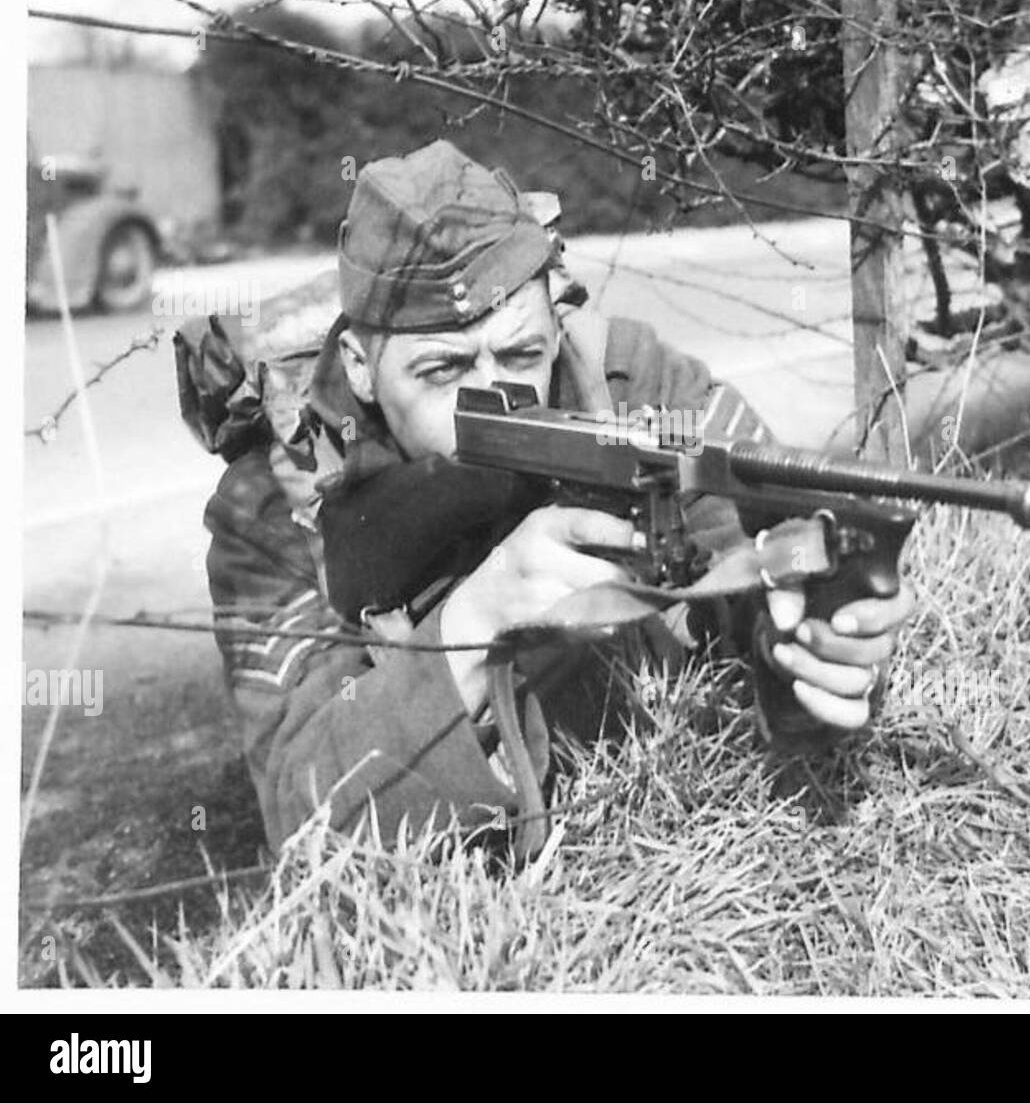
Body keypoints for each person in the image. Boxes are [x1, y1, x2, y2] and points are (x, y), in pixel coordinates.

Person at [187, 140, 914, 852]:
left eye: (521, 354)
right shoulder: (275, 509)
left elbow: (745, 553)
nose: (494, 395)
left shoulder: (632, 386)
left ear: (553, 322)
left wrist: (795, 645)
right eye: (442, 370)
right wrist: (471, 626)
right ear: (360, 366)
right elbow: (301, 817)